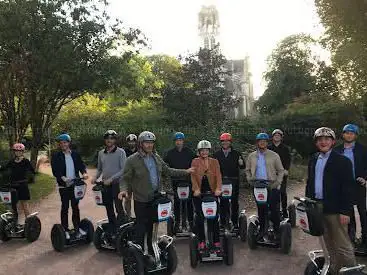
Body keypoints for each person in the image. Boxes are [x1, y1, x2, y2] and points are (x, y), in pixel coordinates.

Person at [118, 131, 195, 261]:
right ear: (141, 144)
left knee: (153, 228)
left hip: (155, 199)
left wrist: (186, 171)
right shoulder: (132, 160)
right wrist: (123, 190)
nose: (149, 145)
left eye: (151, 143)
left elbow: (168, 170)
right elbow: (125, 178)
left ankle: (152, 255)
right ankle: (138, 257)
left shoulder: (156, 157)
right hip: (141, 200)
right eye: (147, 143)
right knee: (141, 229)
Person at [306, 127, 356, 274]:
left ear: (333, 142)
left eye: (327, 139)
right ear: (316, 143)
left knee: (342, 244)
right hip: (318, 207)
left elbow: (348, 188)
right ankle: (334, 269)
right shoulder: (313, 159)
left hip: (336, 209)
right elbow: (310, 182)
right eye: (320, 139)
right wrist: (308, 203)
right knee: (327, 242)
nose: (323, 142)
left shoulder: (343, 161)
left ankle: (351, 270)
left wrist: (345, 211)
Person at [245, 133, 284, 237]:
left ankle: (276, 230)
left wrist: (277, 183)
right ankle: (262, 229)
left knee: (273, 209)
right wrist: (250, 180)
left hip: (271, 185)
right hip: (258, 185)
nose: (262, 143)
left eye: (264, 141)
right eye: (260, 141)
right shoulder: (252, 156)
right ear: (257, 142)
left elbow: (281, 171)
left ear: (267, 142)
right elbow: (247, 170)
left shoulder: (274, 155)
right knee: (261, 209)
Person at [334, 124, 367, 247]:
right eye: (347, 132)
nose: (349, 135)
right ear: (343, 134)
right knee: (348, 213)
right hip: (343, 186)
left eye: (352, 133)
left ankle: (365, 240)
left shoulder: (363, 150)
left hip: (358, 185)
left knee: (363, 213)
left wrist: (364, 178)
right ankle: (351, 238)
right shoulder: (337, 150)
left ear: (356, 135)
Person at [51, 133, 89, 239]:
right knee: (65, 207)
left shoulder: (75, 154)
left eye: (65, 142)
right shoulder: (56, 156)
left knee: (75, 207)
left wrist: (84, 173)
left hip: (74, 185)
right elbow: (55, 170)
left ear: (69, 143)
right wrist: (63, 178)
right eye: (61, 143)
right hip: (64, 186)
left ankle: (77, 228)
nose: (63, 144)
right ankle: (65, 229)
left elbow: (81, 165)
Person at [191, 140, 222, 251]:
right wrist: (196, 189)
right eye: (202, 150)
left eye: (206, 150)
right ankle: (202, 241)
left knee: (214, 217)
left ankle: (216, 240)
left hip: (212, 192)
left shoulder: (214, 162)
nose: (204, 152)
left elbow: (218, 175)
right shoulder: (195, 161)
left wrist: (218, 188)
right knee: (200, 217)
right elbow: (193, 177)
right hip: (199, 194)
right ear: (199, 151)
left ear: (209, 151)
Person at [93, 130, 126, 232]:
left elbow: (123, 169)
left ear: (115, 140)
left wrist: (111, 179)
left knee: (118, 206)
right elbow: (100, 169)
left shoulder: (121, 152)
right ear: (105, 140)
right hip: (105, 184)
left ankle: (122, 227)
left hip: (117, 184)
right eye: (107, 138)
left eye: (112, 138)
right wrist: (95, 177)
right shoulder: (101, 153)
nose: (109, 140)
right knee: (108, 206)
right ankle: (112, 226)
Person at [213, 133, 245, 231]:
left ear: (230, 142)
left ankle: (235, 223)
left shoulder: (237, 154)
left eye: (227, 141)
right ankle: (223, 223)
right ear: (221, 143)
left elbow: (243, 167)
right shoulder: (216, 154)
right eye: (223, 141)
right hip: (221, 181)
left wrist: (241, 163)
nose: (225, 143)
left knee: (234, 202)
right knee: (223, 202)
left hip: (233, 180)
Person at [164, 132, 195, 232]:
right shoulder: (170, 153)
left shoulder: (189, 152)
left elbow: (195, 163)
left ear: (183, 141)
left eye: (180, 140)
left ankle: (190, 222)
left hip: (187, 181)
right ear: (174, 142)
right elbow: (165, 166)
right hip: (176, 182)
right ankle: (177, 223)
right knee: (177, 203)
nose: (179, 142)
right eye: (177, 140)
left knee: (189, 202)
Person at [0, 143, 35, 227]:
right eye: (16, 151)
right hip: (13, 186)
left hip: (22, 185)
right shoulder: (12, 161)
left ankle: (29, 225)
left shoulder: (26, 161)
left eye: (20, 151)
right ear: (14, 152)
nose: (18, 152)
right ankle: (14, 224)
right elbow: (4, 168)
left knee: (24, 206)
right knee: (13, 207)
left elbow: (32, 171)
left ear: (22, 152)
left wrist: (29, 178)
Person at [268, 129, 291, 218]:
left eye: (279, 135)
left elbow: (288, 160)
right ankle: (272, 210)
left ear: (281, 137)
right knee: (271, 193)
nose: (277, 136)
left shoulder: (285, 148)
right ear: (273, 137)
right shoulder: (269, 148)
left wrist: (286, 169)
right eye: (275, 135)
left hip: (281, 174)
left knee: (282, 192)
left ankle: (284, 211)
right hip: (271, 174)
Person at [123, 133, 138, 217]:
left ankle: (138, 216)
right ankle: (128, 216)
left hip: (137, 179)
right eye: (129, 141)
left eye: (133, 141)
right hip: (128, 179)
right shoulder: (124, 152)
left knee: (138, 199)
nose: (131, 143)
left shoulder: (140, 151)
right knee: (127, 199)